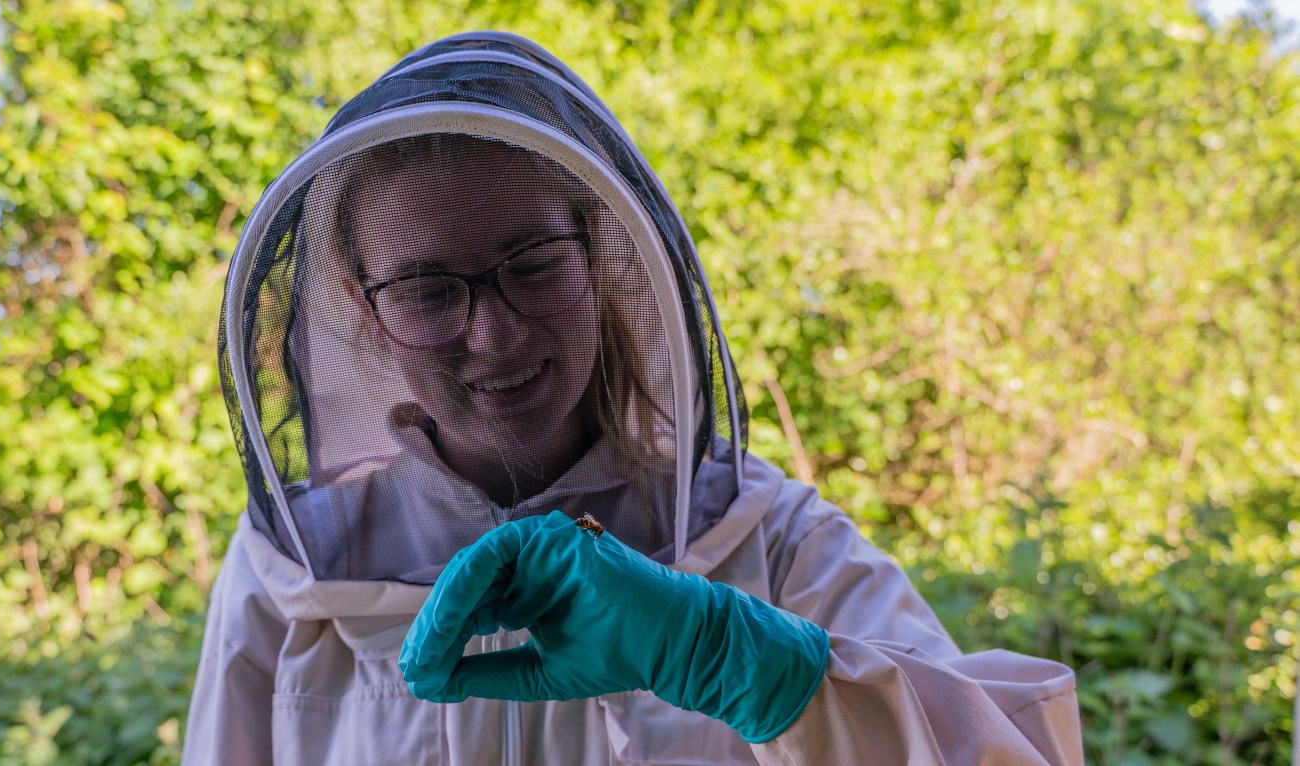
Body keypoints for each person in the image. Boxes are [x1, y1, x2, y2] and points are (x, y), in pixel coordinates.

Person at [185, 31, 1082, 765]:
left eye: (533, 265)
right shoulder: (294, 569)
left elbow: (1015, 754)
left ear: (603, 259)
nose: (493, 335)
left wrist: (747, 660)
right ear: (364, 311)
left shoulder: (772, 540)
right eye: (426, 290)